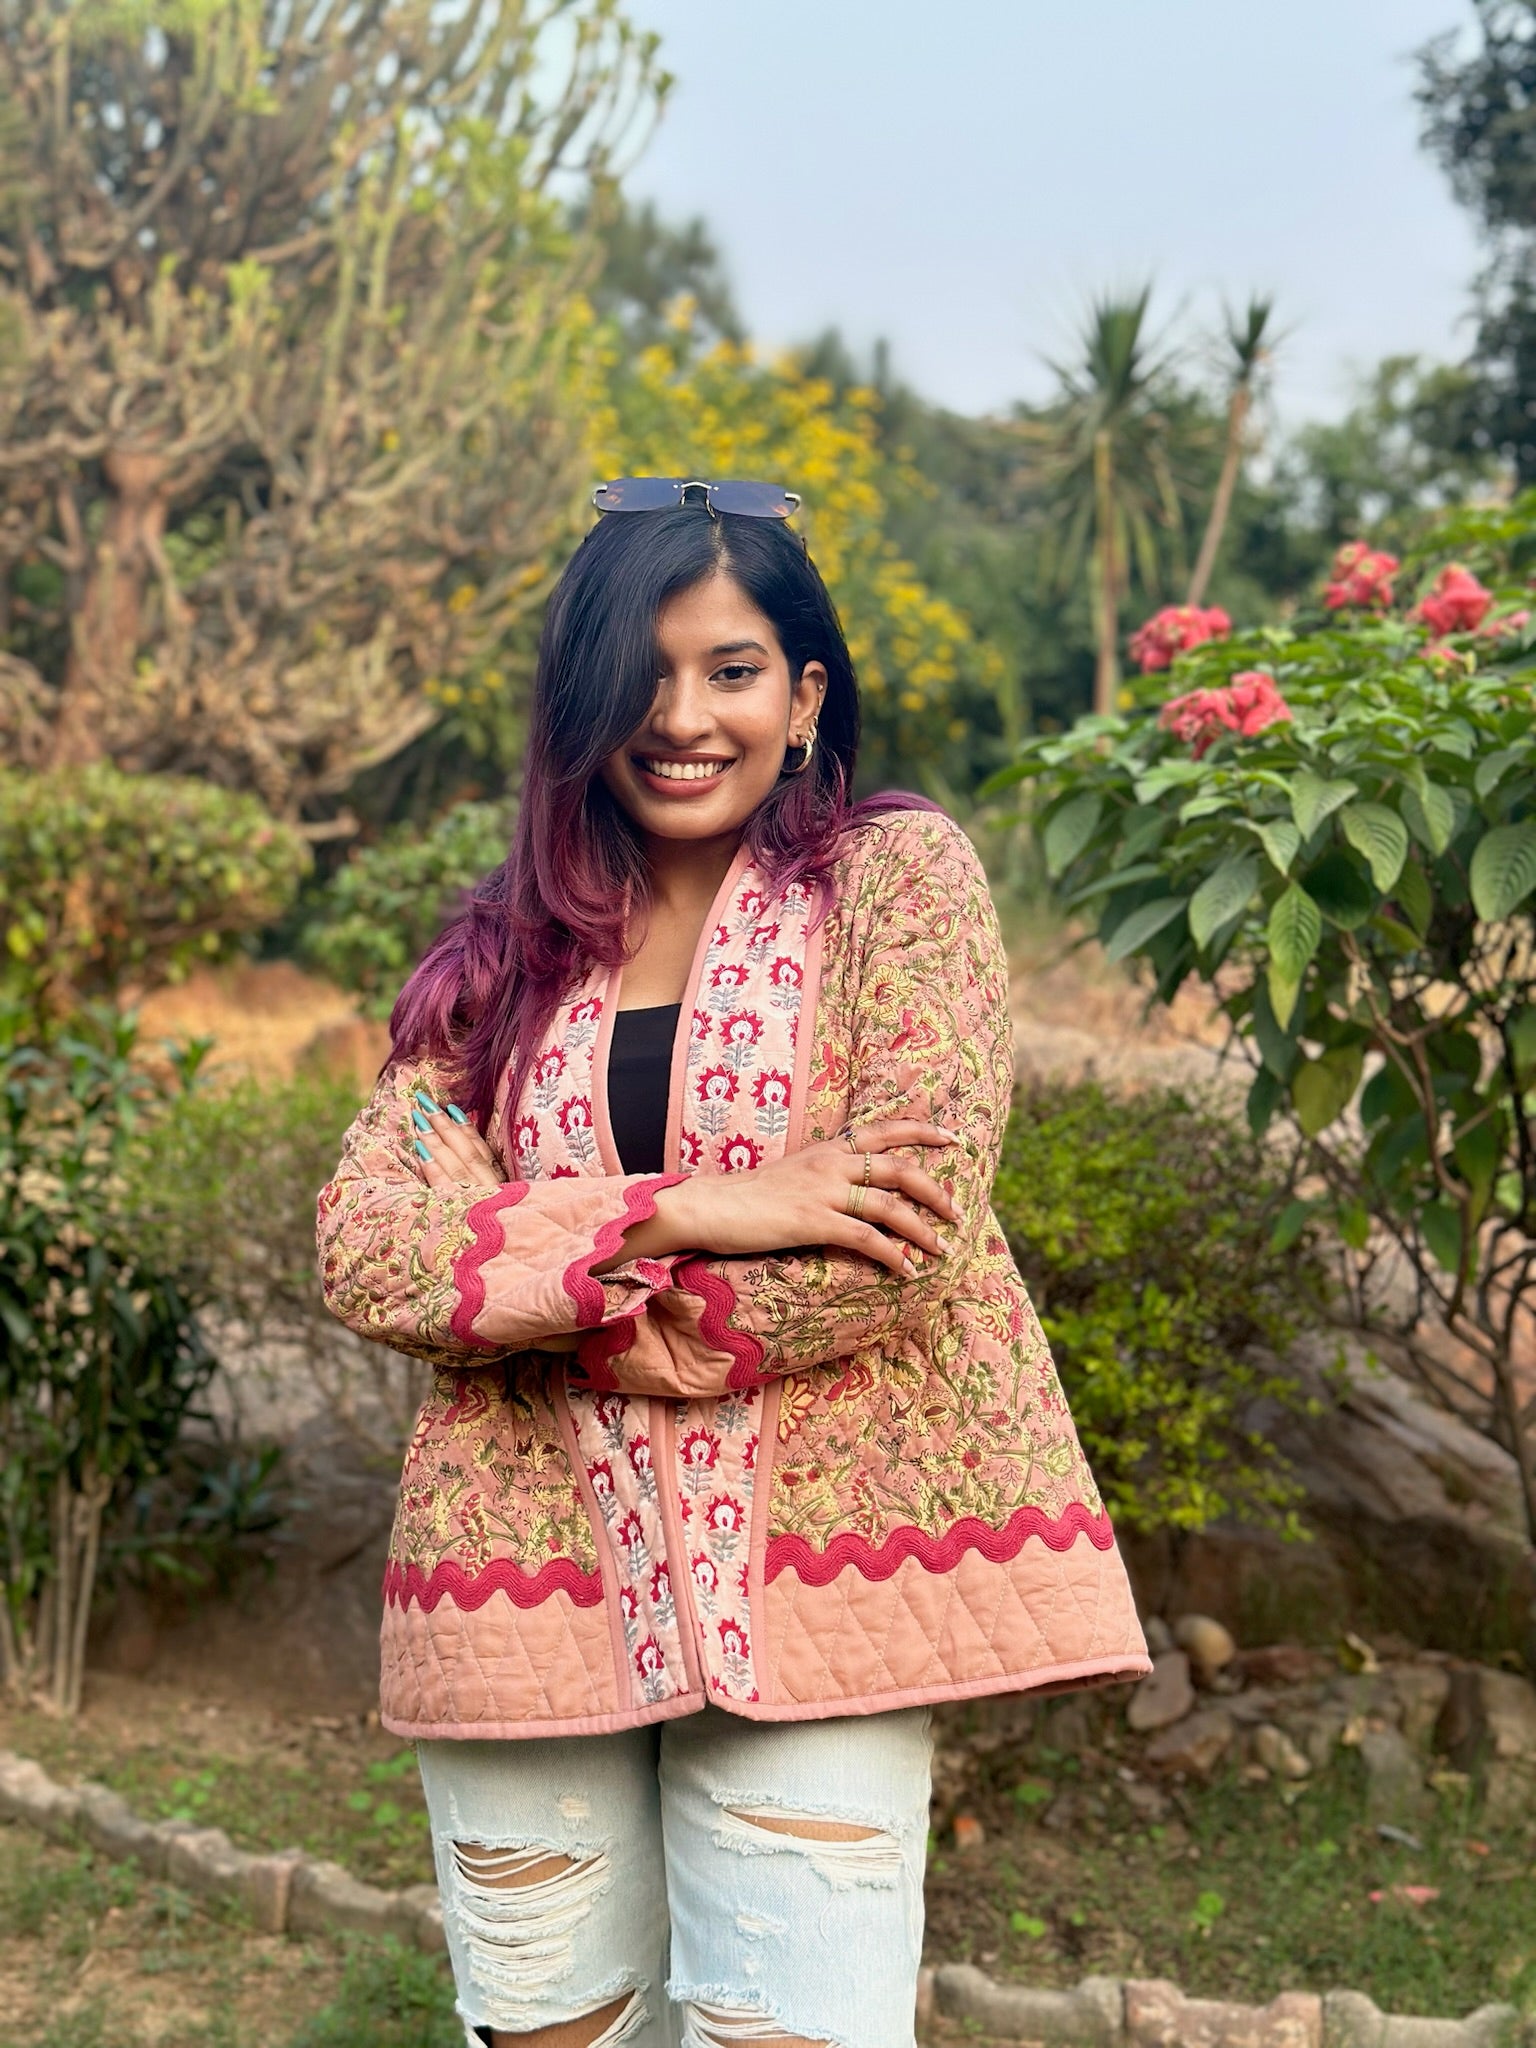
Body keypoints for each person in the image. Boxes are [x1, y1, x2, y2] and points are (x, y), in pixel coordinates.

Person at [316, 478, 1149, 2048]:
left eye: (731, 668)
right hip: (520, 1578)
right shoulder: (501, 950)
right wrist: (694, 1209)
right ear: (578, 701)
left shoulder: (896, 884)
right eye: (638, 674)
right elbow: (371, 1247)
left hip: (825, 1567)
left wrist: (535, 1304)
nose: (680, 716)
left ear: (805, 691)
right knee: (548, 2033)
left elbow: (904, 1234)